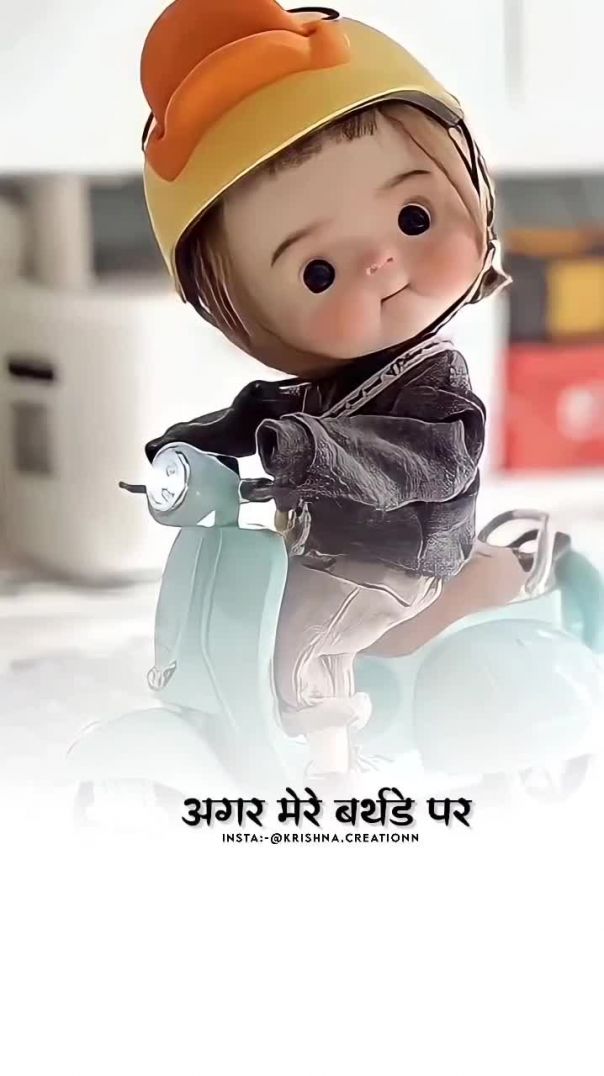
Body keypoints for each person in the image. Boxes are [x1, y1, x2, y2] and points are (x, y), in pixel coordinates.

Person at [140, 0, 525, 773]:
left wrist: (312, 448)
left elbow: (429, 460)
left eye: (414, 218)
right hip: (333, 545)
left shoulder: (437, 385)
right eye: (318, 272)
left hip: (399, 556)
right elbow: (267, 409)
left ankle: (329, 770)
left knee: (300, 640)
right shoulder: (342, 379)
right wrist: (195, 443)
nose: (381, 261)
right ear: (238, 307)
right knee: (248, 612)